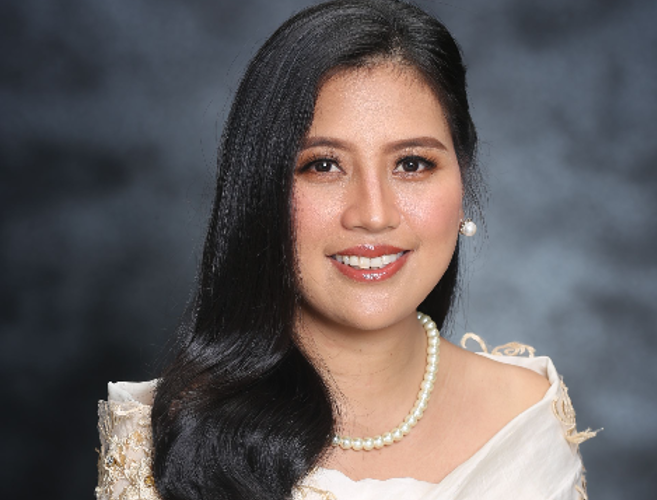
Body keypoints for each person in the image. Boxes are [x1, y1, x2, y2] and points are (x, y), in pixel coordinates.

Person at [95, 1, 596, 499]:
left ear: (461, 178)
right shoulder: (165, 439)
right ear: (259, 191)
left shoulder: (527, 417)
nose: (373, 215)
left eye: (412, 164)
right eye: (323, 166)